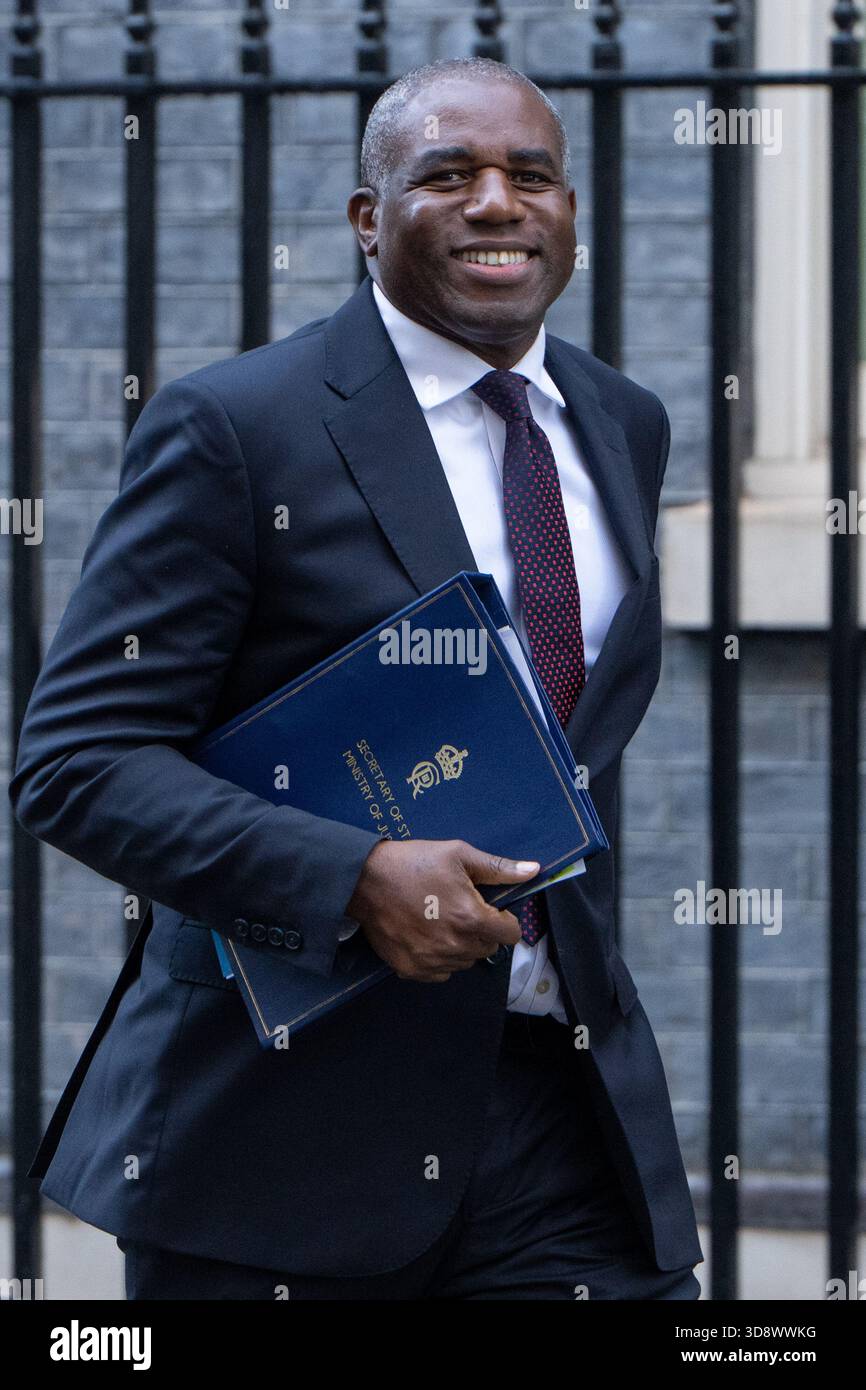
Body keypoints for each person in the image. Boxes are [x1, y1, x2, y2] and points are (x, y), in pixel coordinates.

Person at [9, 57, 703, 1300]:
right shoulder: (238, 427)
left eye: (529, 175)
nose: (497, 202)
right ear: (367, 217)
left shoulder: (619, 421)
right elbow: (74, 764)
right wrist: (353, 880)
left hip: (563, 1116)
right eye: (448, 174)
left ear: (569, 214)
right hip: (283, 1144)